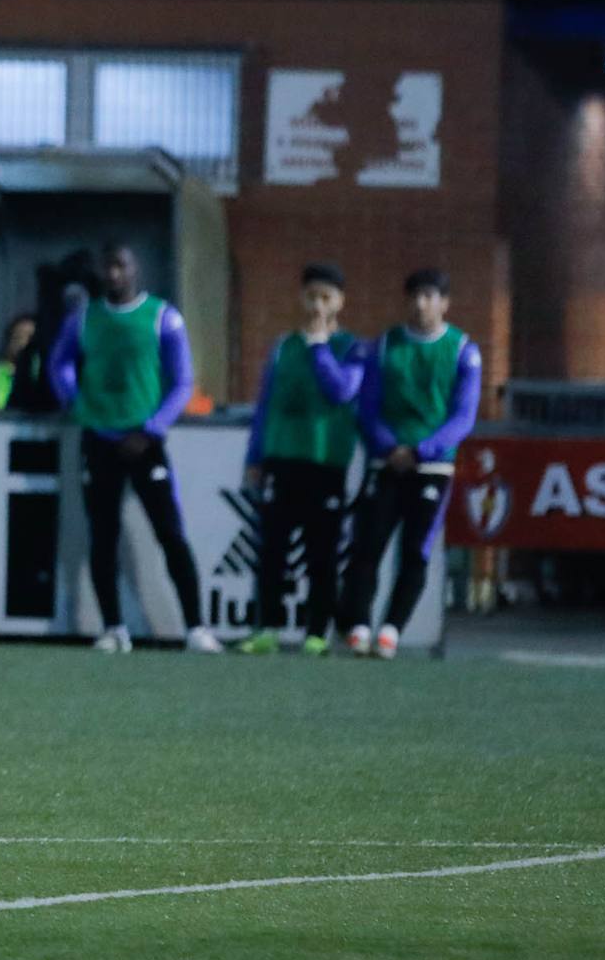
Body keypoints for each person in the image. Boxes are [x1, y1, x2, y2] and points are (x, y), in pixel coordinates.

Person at [46, 243, 221, 654]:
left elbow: (182, 383)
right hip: (100, 440)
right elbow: (60, 363)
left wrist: (153, 427)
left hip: (145, 443)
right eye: (108, 266)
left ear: (135, 268)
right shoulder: (85, 316)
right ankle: (114, 628)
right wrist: (76, 403)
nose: (114, 274)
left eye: (121, 265)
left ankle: (196, 627)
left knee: (171, 534)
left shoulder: (163, 317)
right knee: (102, 536)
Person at [320, 269, 482, 659]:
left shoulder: (463, 350)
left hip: (433, 467)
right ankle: (357, 623)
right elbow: (368, 405)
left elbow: (463, 416)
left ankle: (391, 629)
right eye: (414, 296)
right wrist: (389, 446)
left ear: (445, 303)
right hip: (387, 462)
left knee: (415, 549)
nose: (420, 304)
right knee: (368, 543)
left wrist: (424, 449)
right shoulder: (384, 345)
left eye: (429, 296)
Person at [238, 264, 358, 655]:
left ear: (340, 302)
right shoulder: (282, 347)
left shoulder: (353, 349)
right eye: (311, 296)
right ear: (300, 298)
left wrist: (320, 345)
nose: (317, 305)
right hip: (281, 460)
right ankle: (267, 627)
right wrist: (255, 455)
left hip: (324, 463)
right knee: (272, 549)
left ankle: (317, 631)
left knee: (321, 552)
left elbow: (341, 391)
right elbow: (266, 404)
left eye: (326, 298)